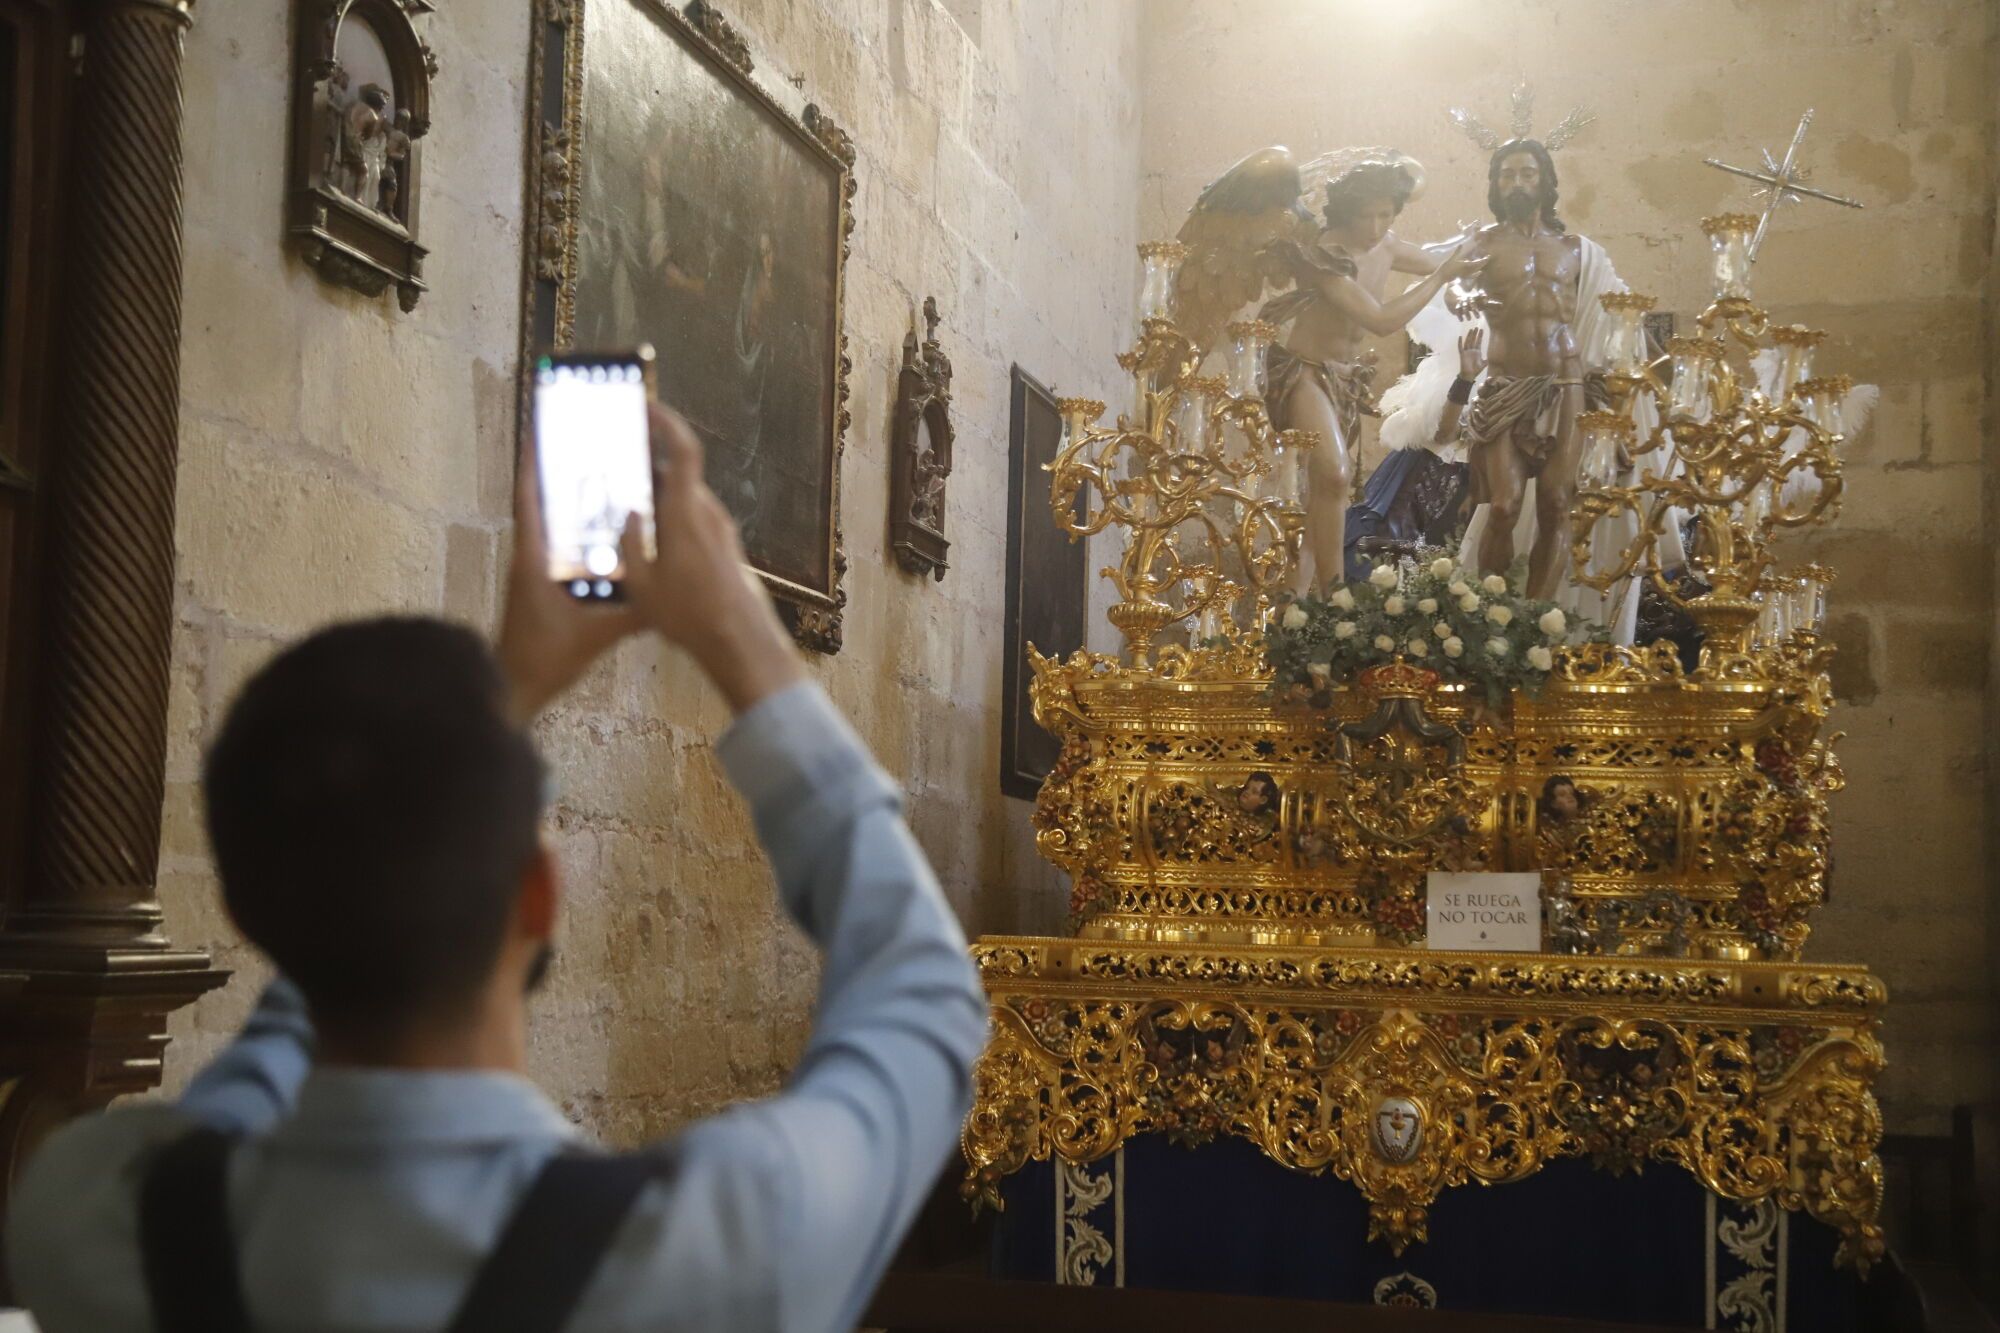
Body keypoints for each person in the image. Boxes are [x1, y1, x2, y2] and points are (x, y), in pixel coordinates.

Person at [7, 405, 990, 1332]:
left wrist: (489, 721)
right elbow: (929, 994)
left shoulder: (91, 1217)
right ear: (537, 891)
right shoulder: (713, 1249)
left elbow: (291, 1007)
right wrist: (737, 631)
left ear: (245, 905)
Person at [1259, 157, 1485, 591]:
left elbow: (1433, 257)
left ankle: (1295, 604)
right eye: (1367, 216)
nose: (1377, 226)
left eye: (1386, 215)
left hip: (1344, 380)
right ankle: (1335, 594)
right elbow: (1380, 320)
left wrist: (1470, 242)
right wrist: (1443, 274)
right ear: (1346, 212)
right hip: (1304, 373)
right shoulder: (1323, 255)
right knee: (1335, 474)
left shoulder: (1386, 243)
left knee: (1324, 495)